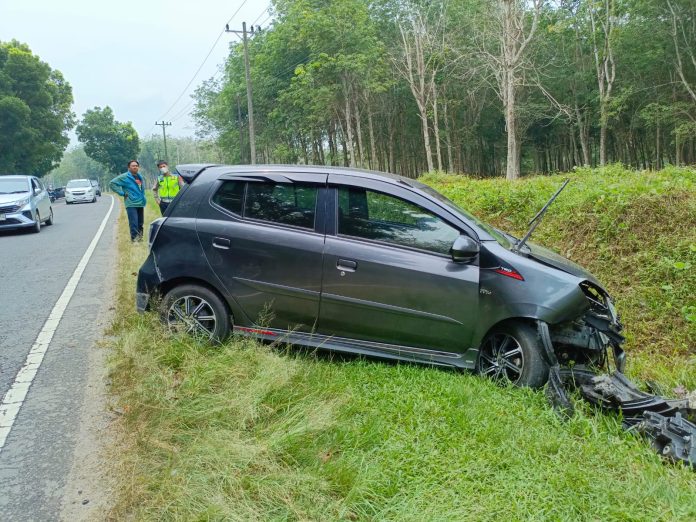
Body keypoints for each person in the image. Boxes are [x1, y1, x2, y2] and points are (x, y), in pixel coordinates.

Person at [110, 160, 147, 241]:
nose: (135, 167)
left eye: (136, 165)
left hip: (140, 203)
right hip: (131, 203)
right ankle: (134, 240)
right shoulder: (124, 177)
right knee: (134, 223)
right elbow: (112, 183)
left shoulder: (139, 176)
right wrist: (122, 193)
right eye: (133, 166)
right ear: (129, 167)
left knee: (140, 223)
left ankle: (140, 238)